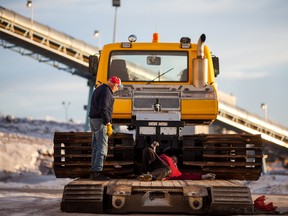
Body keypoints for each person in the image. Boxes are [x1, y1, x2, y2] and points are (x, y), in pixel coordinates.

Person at [89, 76, 123, 180]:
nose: (117, 89)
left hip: (93, 120)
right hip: (100, 121)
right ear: (114, 84)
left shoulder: (99, 88)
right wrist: (108, 123)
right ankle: (97, 172)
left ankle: (93, 171)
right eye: (117, 86)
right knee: (102, 148)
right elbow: (103, 108)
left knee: (96, 147)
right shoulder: (106, 92)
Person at [138, 146, 216, 181]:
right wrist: (153, 149)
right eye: (173, 159)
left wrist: (203, 176)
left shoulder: (178, 173)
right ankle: (145, 174)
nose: (174, 160)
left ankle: (149, 176)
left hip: (162, 172)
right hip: (155, 164)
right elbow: (154, 157)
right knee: (147, 149)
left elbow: (190, 176)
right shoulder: (164, 157)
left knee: (168, 169)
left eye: (176, 161)